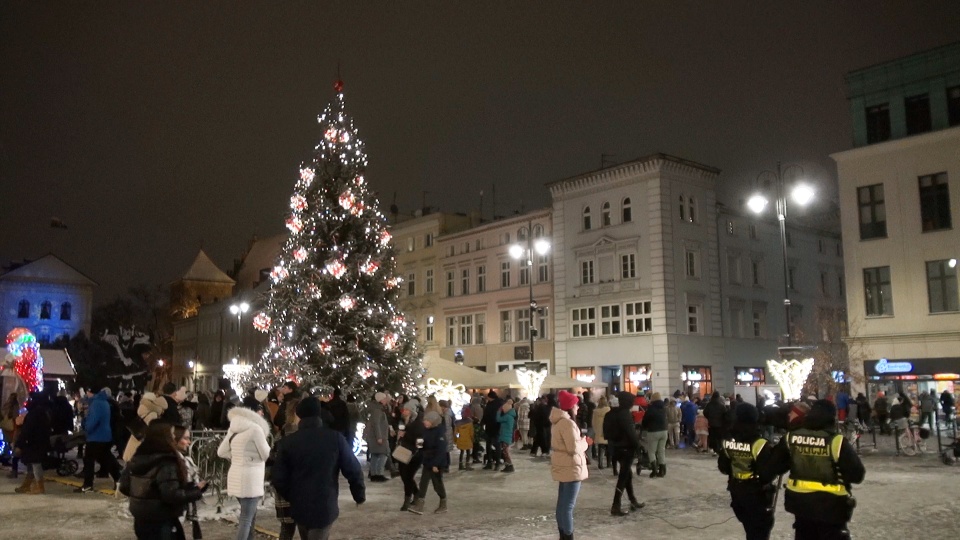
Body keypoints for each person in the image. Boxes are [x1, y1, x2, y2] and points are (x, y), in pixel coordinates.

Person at [761, 399, 865, 539]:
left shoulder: (791, 438)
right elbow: (857, 475)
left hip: (800, 505)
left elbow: (771, 469)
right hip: (832, 507)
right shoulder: (836, 441)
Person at [272, 396, 365, 540]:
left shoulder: (288, 442)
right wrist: (358, 494)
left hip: (299, 506)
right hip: (325, 503)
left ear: (299, 415)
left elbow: (278, 477)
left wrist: (292, 495)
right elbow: (353, 469)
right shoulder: (335, 439)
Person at [120, 422, 206, 539]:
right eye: (171, 434)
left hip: (140, 518)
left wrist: (144, 497)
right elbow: (171, 495)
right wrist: (197, 491)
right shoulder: (167, 462)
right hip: (162, 519)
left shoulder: (137, 457)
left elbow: (124, 487)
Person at [718, 403, 776, 540]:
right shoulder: (759, 443)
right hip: (756, 493)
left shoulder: (729, 441)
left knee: (750, 528)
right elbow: (767, 473)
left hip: (736, 491)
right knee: (759, 531)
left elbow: (723, 467)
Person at [217, 404, 271, 540]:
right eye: (260, 411)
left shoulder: (233, 429)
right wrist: (250, 459)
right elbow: (266, 454)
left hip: (235, 475)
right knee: (246, 519)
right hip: (251, 478)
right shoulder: (255, 429)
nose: (262, 413)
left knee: (249, 516)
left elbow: (221, 452)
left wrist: (237, 457)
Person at [551, 390, 588, 540]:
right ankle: (568, 536)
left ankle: (563, 535)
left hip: (563, 464)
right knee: (567, 506)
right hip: (571, 466)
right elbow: (573, 448)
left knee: (562, 505)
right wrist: (585, 443)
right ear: (570, 406)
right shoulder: (568, 424)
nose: (578, 408)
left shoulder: (558, 421)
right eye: (576, 405)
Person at [604, 391, 645, 516]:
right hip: (626, 448)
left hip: (615, 448)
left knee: (627, 475)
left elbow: (606, 432)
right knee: (623, 477)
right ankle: (616, 505)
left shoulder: (610, 413)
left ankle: (632, 500)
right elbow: (630, 433)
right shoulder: (624, 414)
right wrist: (639, 446)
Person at [75, 388, 123, 493]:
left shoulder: (96, 403)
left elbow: (92, 422)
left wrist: (85, 423)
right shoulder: (104, 402)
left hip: (96, 437)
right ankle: (119, 479)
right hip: (105, 435)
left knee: (89, 460)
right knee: (106, 458)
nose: (86, 394)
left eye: (87, 392)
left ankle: (88, 484)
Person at [408, 410, 450, 514]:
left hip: (436, 462)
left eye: (427, 421)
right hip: (427, 460)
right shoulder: (426, 430)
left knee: (437, 484)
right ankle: (420, 505)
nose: (425, 422)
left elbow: (441, 451)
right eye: (425, 420)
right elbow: (423, 443)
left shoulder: (440, 433)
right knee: (423, 482)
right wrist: (419, 445)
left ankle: (443, 503)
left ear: (433, 421)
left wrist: (436, 464)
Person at [14, 392, 51, 494]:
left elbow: (27, 430)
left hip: (34, 442)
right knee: (32, 464)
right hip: (38, 441)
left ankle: (39, 486)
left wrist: (19, 443)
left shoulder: (35, 413)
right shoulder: (42, 412)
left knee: (35, 463)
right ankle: (27, 484)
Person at [123, 392, 170, 463]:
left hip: (137, 436)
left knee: (132, 458)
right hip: (142, 440)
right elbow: (151, 430)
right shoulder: (153, 414)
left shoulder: (144, 410)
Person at [397, 399, 425, 511]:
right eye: (404, 409)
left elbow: (419, 441)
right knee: (405, 476)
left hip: (414, 454)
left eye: (407, 410)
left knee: (407, 476)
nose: (404, 411)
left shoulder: (418, 423)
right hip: (404, 452)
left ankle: (407, 500)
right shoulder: (405, 421)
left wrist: (405, 435)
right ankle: (416, 493)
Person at [364, 392, 391, 482]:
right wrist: (379, 437)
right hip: (379, 436)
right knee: (384, 454)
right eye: (384, 398)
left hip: (374, 436)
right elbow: (376, 424)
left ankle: (374, 474)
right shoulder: (378, 410)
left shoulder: (376, 409)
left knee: (375, 455)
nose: (386, 400)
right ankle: (379, 474)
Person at [641, 392, 668, 478]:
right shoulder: (664, 408)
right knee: (661, 451)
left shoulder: (651, 409)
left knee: (652, 451)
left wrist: (644, 427)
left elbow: (645, 421)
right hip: (664, 431)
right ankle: (662, 470)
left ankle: (654, 470)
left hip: (653, 431)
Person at [482, 390, 504, 469]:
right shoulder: (497, 404)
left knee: (494, 445)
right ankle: (492, 462)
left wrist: (483, 422)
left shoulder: (496, 404)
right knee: (491, 445)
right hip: (493, 427)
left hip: (494, 427)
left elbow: (486, 415)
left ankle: (494, 462)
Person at [591, 397, 611, 469]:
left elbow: (593, 422)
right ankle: (609, 463)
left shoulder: (595, 412)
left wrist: (596, 430)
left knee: (600, 449)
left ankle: (600, 464)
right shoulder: (609, 410)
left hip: (599, 432)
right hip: (607, 431)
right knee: (608, 449)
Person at [454, 405, 475, 471]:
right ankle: (467, 464)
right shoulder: (469, 423)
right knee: (468, 452)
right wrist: (472, 438)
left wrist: (457, 438)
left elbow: (456, 433)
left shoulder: (458, 423)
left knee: (461, 452)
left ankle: (460, 465)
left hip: (460, 440)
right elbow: (471, 432)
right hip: (468, 440)